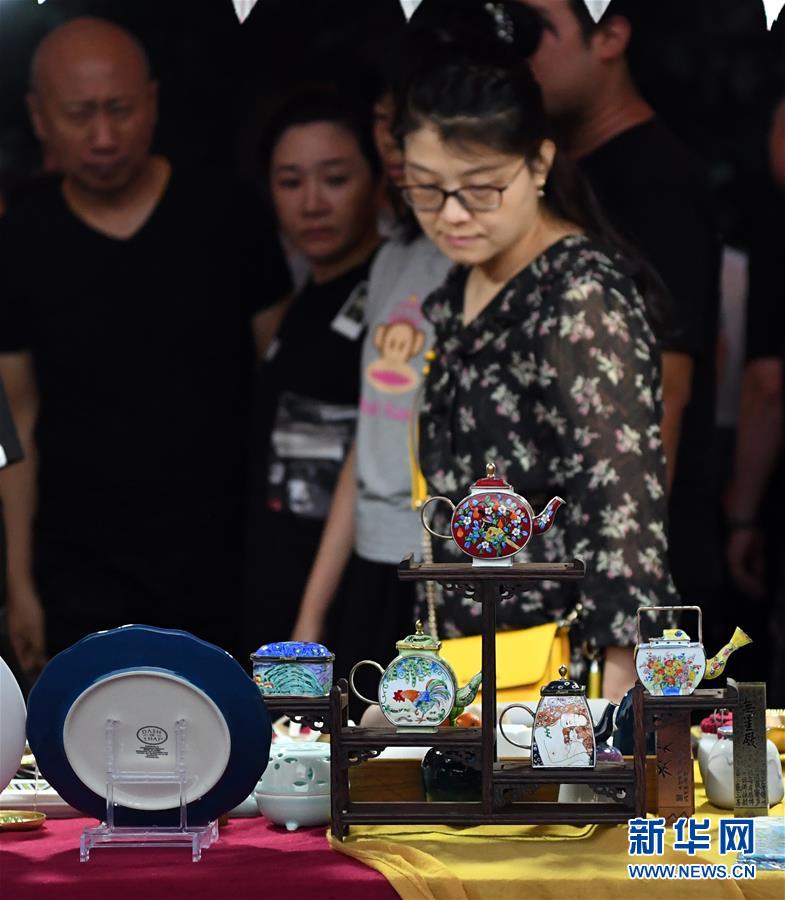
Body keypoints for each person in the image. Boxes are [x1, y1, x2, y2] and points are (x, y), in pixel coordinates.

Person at [0, 17, 291, 672]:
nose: (104, 137)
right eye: (80, 114)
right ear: (40, 118)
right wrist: (17, 580)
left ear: (153, 104)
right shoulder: (20, 239)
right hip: (77, 563)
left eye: (121, 110)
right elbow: (15, 419)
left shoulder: (227, 213)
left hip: (224, 556)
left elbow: (282, 383)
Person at [396, 31, 677, 701]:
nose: (452, 215)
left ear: (540, 163)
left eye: (482, 189)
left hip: (563, 676)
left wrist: (617, 708)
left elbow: (622, 509)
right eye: (425, 190)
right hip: (467, 660)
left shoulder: (579, 294)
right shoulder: (465, 281)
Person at [521, 0, 723, 610]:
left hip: (626, 563)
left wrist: (620, 580)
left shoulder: (659, 184)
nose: (518, 48)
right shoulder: (563, 174)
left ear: (609, 37)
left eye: (536, 29)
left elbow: (666, 387)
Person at [242, 90, 384, 652]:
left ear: (379, 179)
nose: (313, 203)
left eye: (335, 179)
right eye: (290, 182)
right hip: (277, 581)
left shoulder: (392, 298)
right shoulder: (302, 299)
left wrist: (313, 616)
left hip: (352, 602)